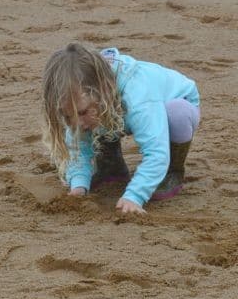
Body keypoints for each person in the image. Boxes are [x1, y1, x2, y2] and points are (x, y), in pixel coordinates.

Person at [41, 43, 200, 214]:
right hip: (116, 108)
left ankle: (173, 171)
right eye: (67, 115)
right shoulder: (80, 97)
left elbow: (156, 152)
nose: (76, 123)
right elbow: (78, 148)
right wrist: (79, 186)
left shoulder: (138, 94)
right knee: (93, 118)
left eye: (81, 112)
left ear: (102, 88)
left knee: (178, 113)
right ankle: (112, 164)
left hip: (173, 105)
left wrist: (134, 196)